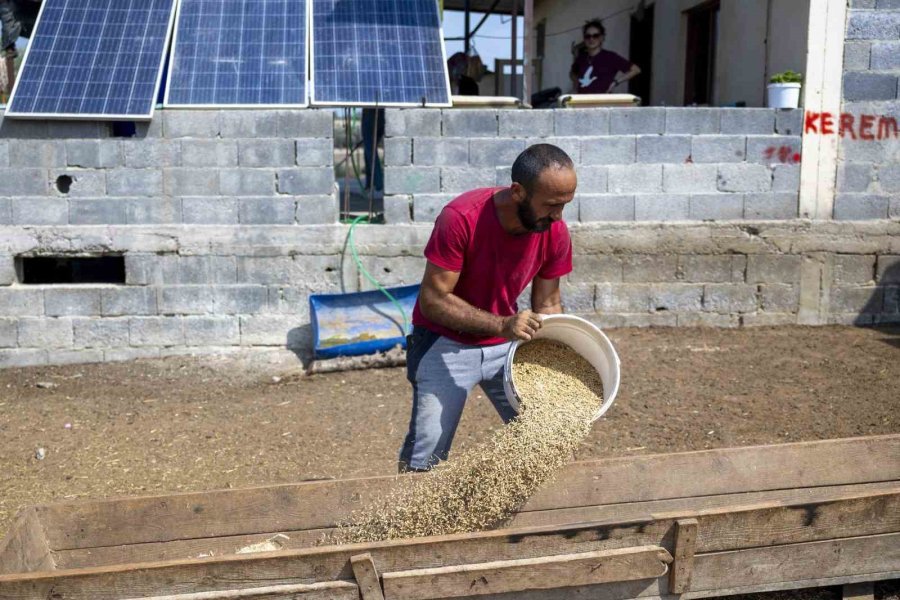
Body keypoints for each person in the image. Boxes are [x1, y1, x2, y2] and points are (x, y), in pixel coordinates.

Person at [398, 144, 576, 472]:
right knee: (427, 454)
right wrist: (503, 326)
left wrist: (563, 362)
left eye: (564, 205)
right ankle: (409, 503)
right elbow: (433, 300)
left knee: (547, 433)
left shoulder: (554, 231)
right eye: (551, 205)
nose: (558, 216)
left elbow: (548, 303)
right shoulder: (461, 218)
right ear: (518, 192)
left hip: (506, 345)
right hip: (443, 343)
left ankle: (517, 503)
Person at [570, 19, 641, 94]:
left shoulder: (610, 57)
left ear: (602, 37)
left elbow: (636, 70)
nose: (591, 39)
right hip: (583, 100)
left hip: (604, 100)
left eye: (595, 36)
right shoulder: (581, 58)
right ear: (584, 39)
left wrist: (615, 82)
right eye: (588, 36)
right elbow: (572, 73)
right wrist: (576, 85)